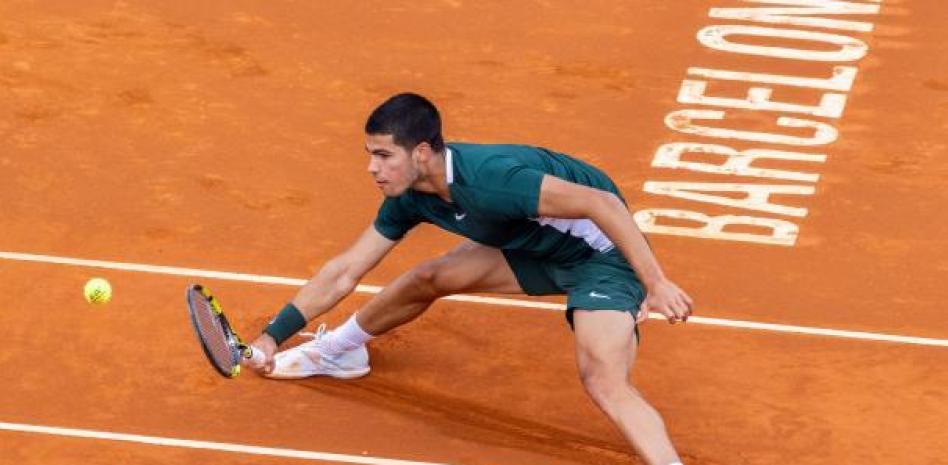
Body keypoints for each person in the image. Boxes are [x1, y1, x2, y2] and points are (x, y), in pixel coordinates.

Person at [246, 93, 694, 465]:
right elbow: (346, 269)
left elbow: (605, 204)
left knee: (603, 379)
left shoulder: (492, 180)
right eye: (370, 155)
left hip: (604, 256)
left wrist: (654, 283)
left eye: (383, 155)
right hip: (533, 244)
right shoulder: (412, 196)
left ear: (421, 153)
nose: (372, 168)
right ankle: (338, 352)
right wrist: (272, 336)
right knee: (429, 276)